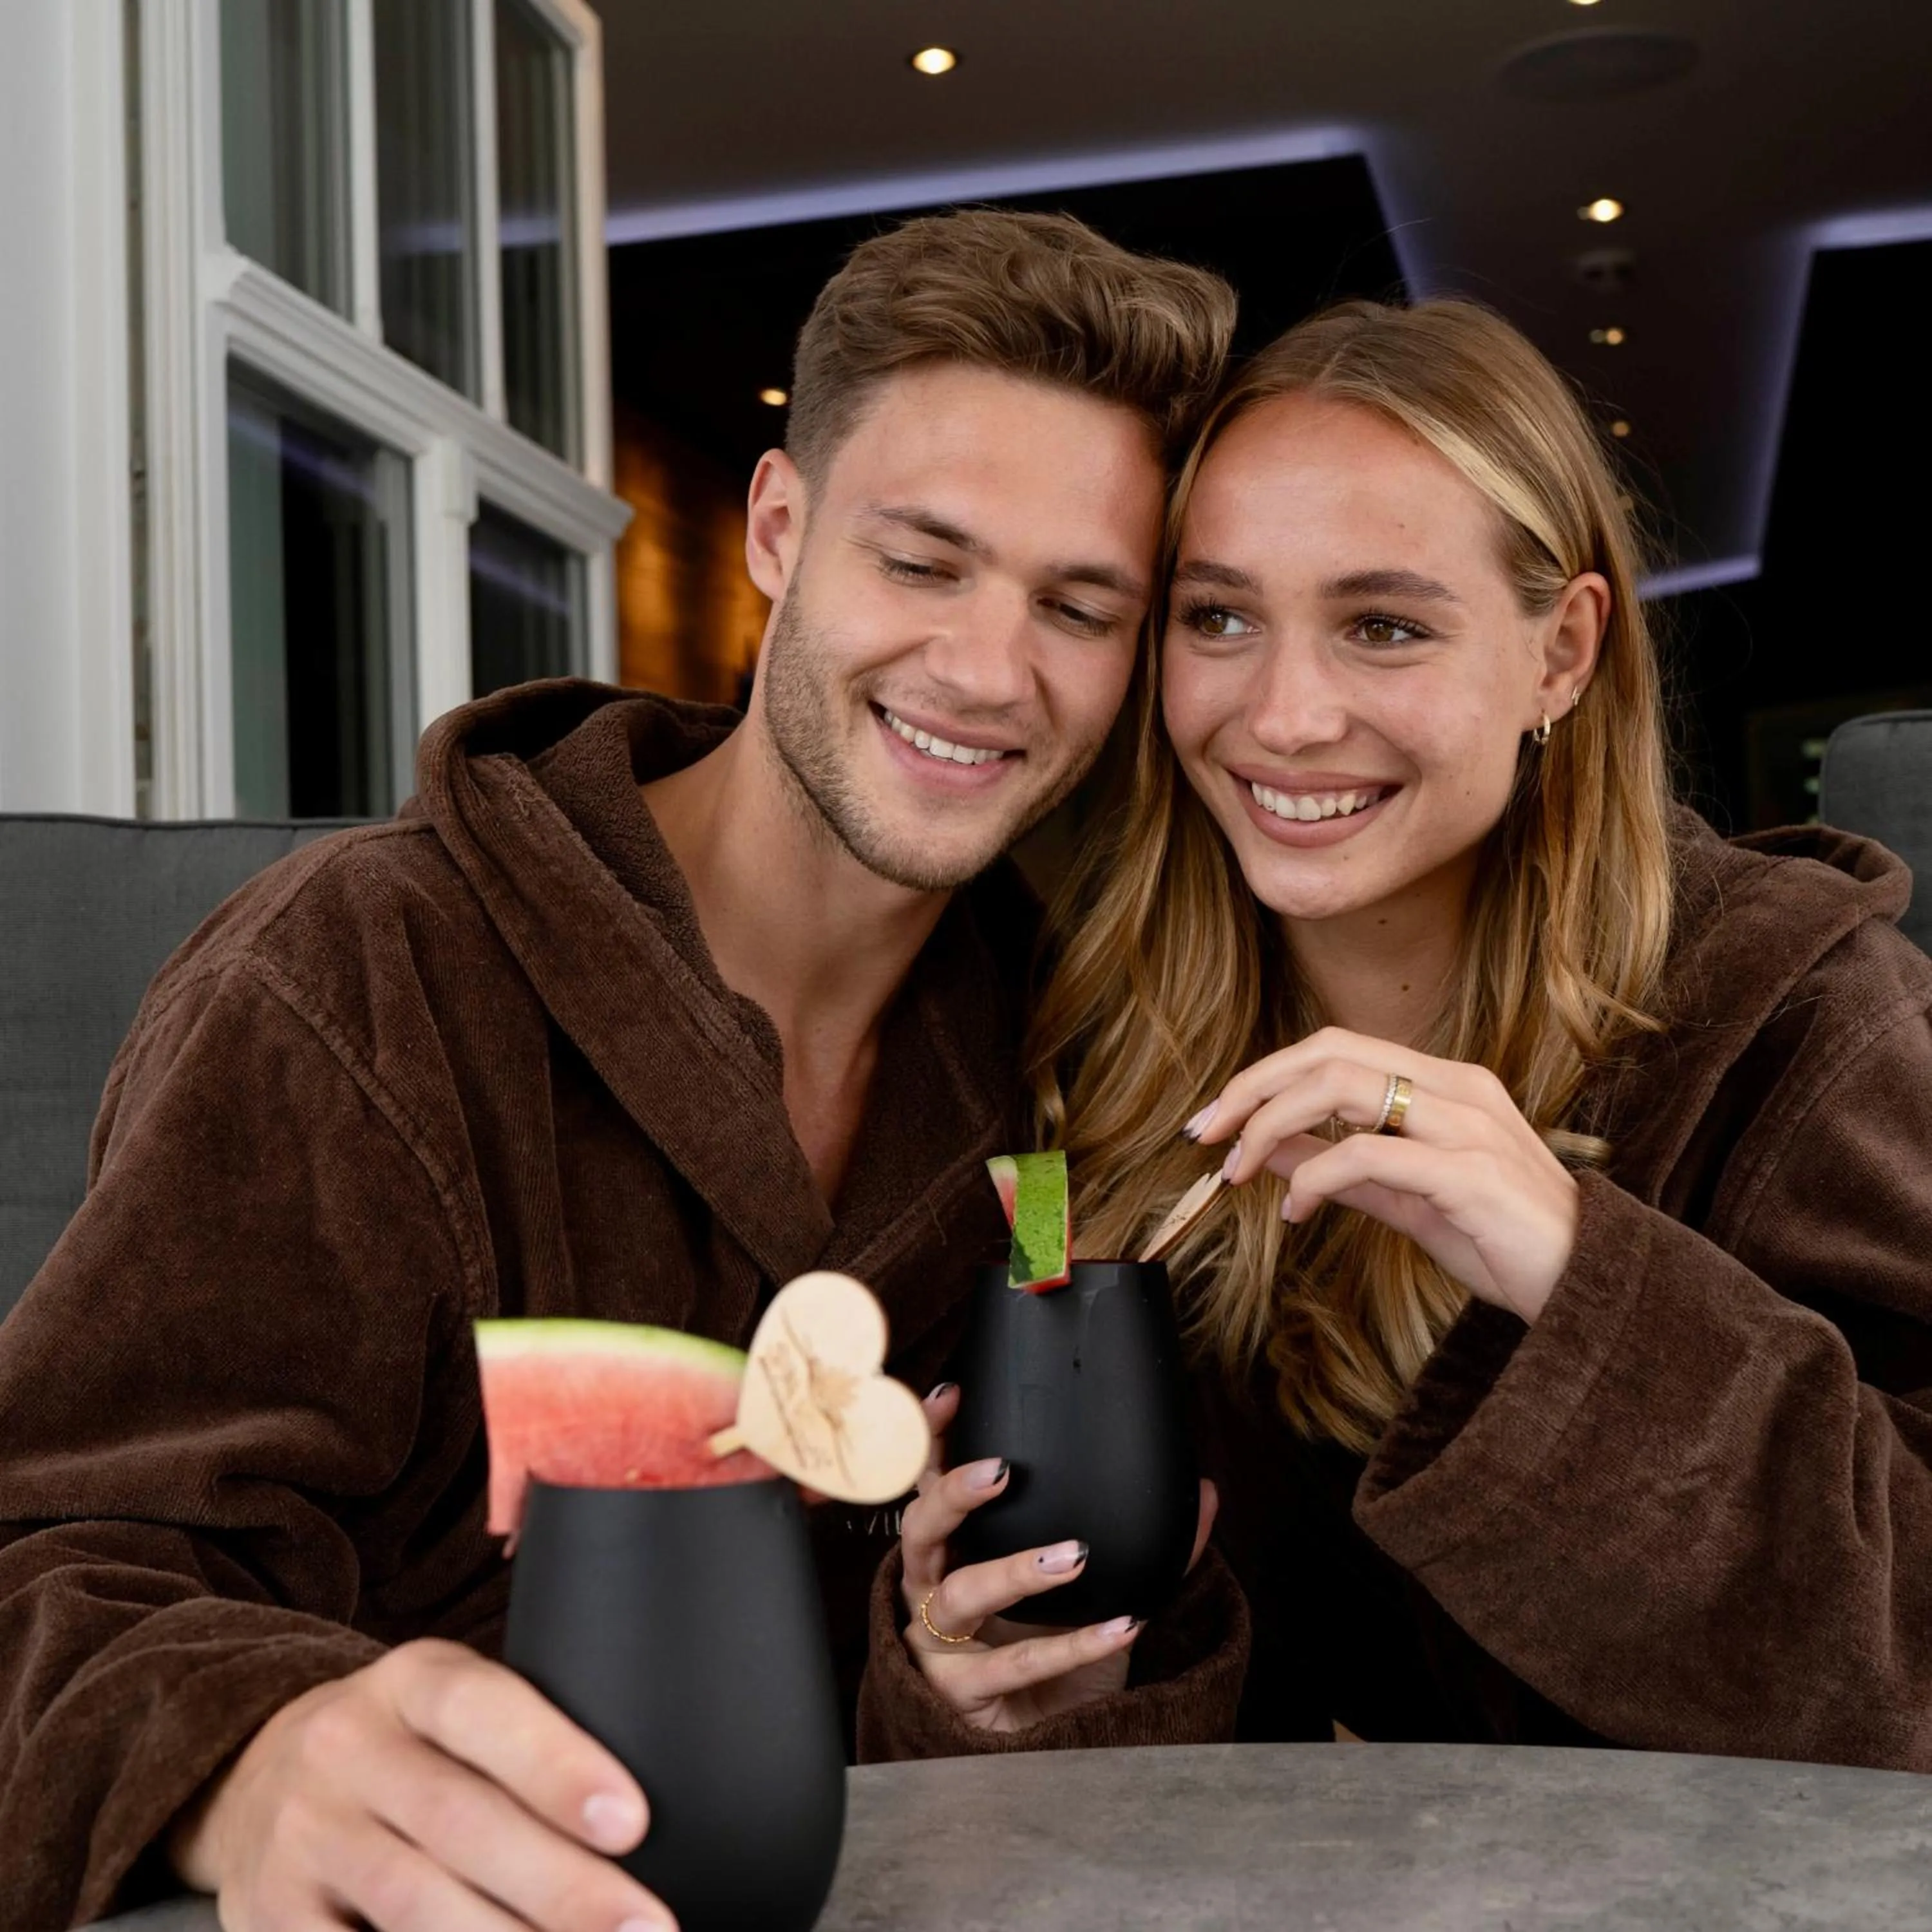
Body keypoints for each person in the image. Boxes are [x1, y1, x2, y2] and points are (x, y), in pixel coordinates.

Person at [0, 209, 1244, 1930]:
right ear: (780, 530)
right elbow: (50, 1564)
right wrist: (245, 1756)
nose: (987, 668)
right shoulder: (356, 980)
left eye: (1081, 607)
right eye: (924, 560)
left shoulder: (1066, 1064)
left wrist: (965, 1693)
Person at [865, 296, 1932, 1772]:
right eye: (1219, 616)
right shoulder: (1082, 1061)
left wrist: (1578, 1271)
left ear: (1562, 653)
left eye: (1383, 626)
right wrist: (1033, 1683)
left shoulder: (1800, 1026)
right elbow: (1193, 1735)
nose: (1285, 716)